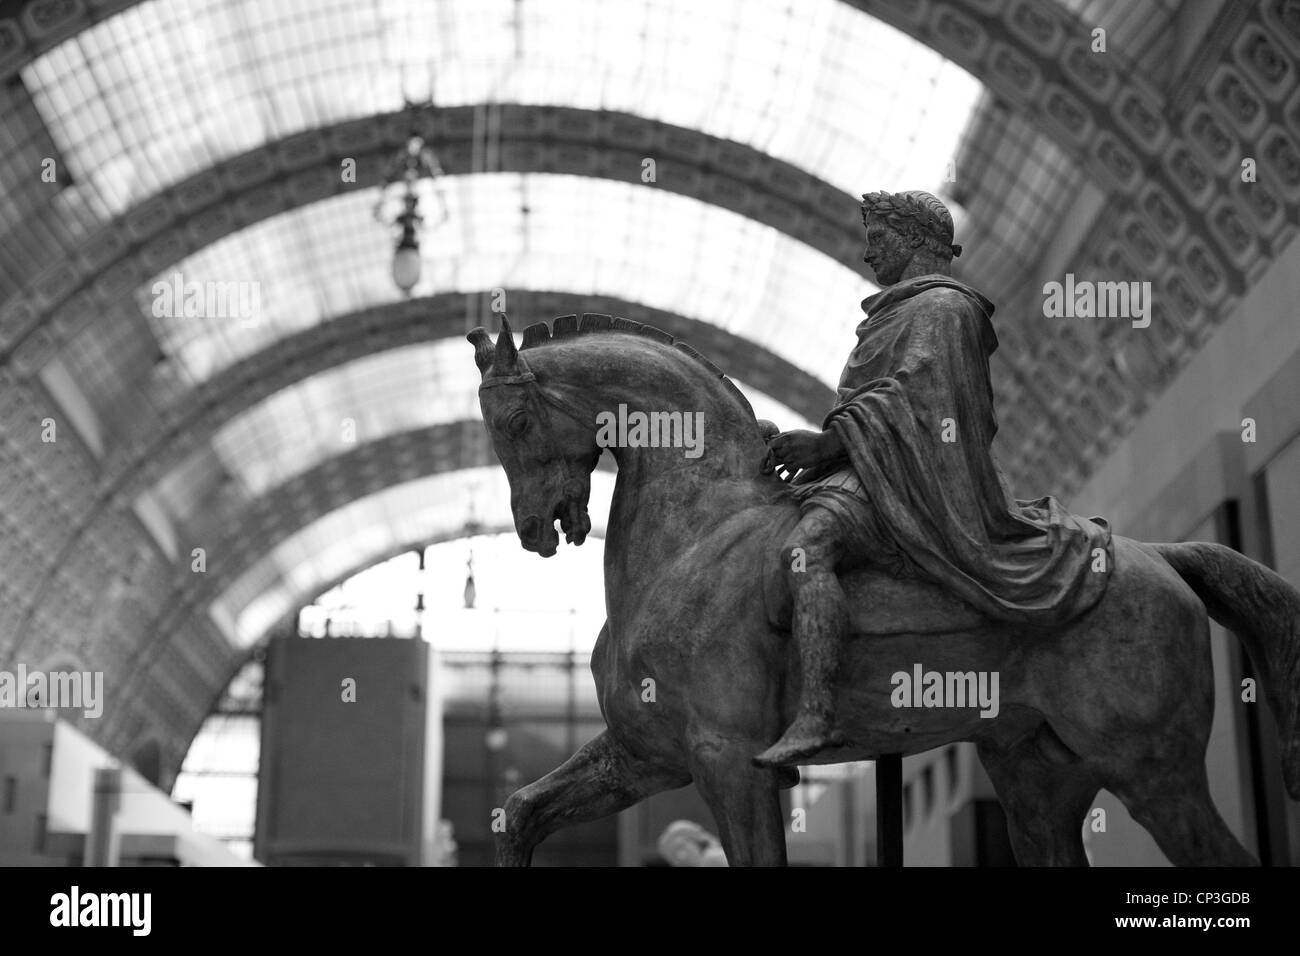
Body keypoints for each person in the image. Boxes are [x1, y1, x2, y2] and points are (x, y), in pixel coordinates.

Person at [753, 190, 1111, 768]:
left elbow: (918, 399)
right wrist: (818, 452)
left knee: (805, 549)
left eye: (879, 236)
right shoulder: (897, 313)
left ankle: (817, 713)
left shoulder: (944, 309)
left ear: (915, 237)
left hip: (916, 480)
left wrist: (829, 442)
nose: (868, 252)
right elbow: (876, 405)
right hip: (872, 467)